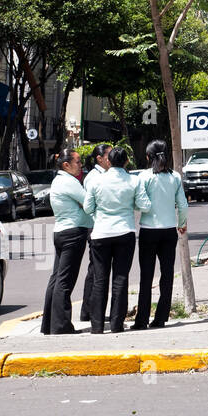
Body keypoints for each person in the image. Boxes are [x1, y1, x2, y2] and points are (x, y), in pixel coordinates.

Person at [131, 140, 188, 330]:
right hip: (169, 232)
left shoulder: (144, 176)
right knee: (167, 275)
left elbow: (140, 203)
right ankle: (161, 318)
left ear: (148, 157)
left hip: (148, 230)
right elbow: (183, 204)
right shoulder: (175, 177)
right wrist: (181, 224)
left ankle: (141, 320)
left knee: (146, 277)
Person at [83, 146, 139, 334]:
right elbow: (142, 205)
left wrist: (101, 212)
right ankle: (116, 325)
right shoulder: (133, 180)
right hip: (125, 232)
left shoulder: (96, 181)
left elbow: (87, 208)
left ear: (108, 161)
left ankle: (96, 326)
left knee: (100, 280)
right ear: (126, 162)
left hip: (100, 234)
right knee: (120, 279)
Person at [40, 149, 92, 335]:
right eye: (77, 162)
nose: (80, 165)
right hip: (73, 233)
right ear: (66, 165)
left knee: (57, 278)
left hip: (62, 232)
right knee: (65, 280)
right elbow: (88, 202)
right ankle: (61, 326)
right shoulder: (69, 182)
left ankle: (49, 324)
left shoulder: (58, 180)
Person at [78, 143, 112, 324]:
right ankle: (88, 311)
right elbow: (89, 205)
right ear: (99, 159)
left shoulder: (105, 175)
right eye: (109, 155)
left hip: (100, 226)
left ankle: (89, 310)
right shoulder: (93, 177)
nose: (111, 159)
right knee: (96, 270)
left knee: (97, 269)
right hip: (95, 226)